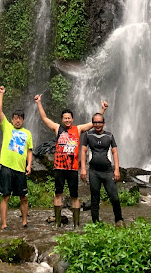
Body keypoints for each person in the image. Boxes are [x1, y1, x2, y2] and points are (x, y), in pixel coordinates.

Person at [34, 94, 108, 228]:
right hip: (59, 168)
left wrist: (102, 110)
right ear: (62, 119)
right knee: (58, 194)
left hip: (73, 169)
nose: (67, 120)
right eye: (65, 118)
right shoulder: (57, 128)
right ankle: (57, 223)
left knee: (75, 196)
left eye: (69, 118)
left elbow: (93, 124)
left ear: (72, 119)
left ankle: (76, 225)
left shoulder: (78, 129)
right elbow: (44, 118)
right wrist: (39, 102)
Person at [0, 86, 33, 230]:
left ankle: (24, 222)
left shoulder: (28, 133)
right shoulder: (7, 127)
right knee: (5, 196)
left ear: (23, 120)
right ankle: (4, 224)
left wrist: (29, 165)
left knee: (24, 197)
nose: (18, 121)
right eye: (15, 118)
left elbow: (29, 150)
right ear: (11, 119)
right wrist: (1, 93)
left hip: (20, 168)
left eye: (20, 119)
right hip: (6, 166)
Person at [80, 112, 124, 227]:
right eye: (95, 122)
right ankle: (95, 222)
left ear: (104, 123)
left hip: (107, 171)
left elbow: (114, 152)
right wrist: (83, 169)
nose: (97, 124)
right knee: (95, 198)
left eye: (100, 122)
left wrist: (117, 170)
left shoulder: (109, 136)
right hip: (94, 171)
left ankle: (119, 220)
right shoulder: (88, 135)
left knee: (114, 197)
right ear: (92, 123)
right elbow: (83, 151)